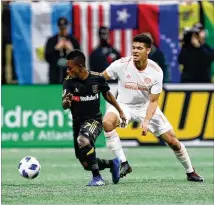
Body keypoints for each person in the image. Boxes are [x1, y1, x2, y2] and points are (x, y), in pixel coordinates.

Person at [102, 33, 204, 182]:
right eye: (134, 48)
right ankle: (124, 163)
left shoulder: (156, 72)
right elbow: (100, 77)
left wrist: (146, 121)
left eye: (139, 48)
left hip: (146, 106)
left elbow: (153, 101)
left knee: (172, 140)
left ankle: (190, 171)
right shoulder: (121, 65)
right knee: (107, 122)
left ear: (148, 50)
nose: (135, 51)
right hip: (124, 105)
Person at [62, 49, 127, 186]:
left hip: (94, 121)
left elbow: (107, 94)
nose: (68, 71)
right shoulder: (68, 82)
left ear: (80, 67)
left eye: (70, 68)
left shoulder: (97, 78)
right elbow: (64, 104)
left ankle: (97, 178)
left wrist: (120, 111)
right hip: (77, 123)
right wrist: (67, 102)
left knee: (84, 140)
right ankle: (112, 163)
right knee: (85, 163)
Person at [45, 17, 80, 84]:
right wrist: (56, 48)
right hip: (55, 76)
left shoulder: (73, 40)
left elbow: (80, 58)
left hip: (71, 77)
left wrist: (71, 49)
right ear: (58, 27)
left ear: (68, 26)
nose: (63, 30)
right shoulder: (52, 40)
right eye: (61, 28)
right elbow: (47, 57)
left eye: (64, 28)